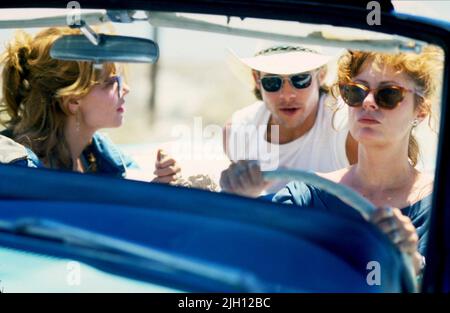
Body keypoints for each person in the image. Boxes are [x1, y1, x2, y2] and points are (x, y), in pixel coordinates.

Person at [221, 46, 443, 275]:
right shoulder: (303, 195)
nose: (367, 102)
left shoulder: (440, 206)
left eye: (389, 94)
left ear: (421, 110)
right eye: (355, 92)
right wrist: (233, 202)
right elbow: (250, 266)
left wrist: (413, 263)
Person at [0, 27, 179, 182]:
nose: (126, 88)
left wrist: (160, 182)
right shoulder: (17, 173)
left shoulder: (100, 156)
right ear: (73, 101)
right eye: (110, 82)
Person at [223, 44, 358, 196]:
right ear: (257, 79)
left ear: (321, 75)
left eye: (300, 79)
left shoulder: (348, 127)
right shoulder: (237, 130)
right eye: (272, 82)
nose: (287, 95)